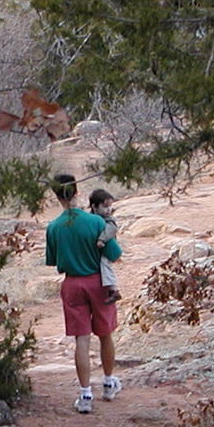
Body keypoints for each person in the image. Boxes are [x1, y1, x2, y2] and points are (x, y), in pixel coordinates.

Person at [45, 173, 123, 414]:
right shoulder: (96, 223)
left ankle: (85, 395)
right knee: (105, 333)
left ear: (56, 195)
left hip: (72, 284)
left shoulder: (54, 227)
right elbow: (114, 254)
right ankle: (109, 383)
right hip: (98, 282)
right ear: (77, 192)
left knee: (81, 338)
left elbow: (53, 260)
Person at [88, 188, 122, 304]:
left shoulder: (109, 220)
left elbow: (111, 230)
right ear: (94, 206)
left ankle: (113, 289)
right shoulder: (92, 219)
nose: (109, 209)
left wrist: (102, 239)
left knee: (105, 265)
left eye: (110, 206)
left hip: (106, 248)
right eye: (105, 206)